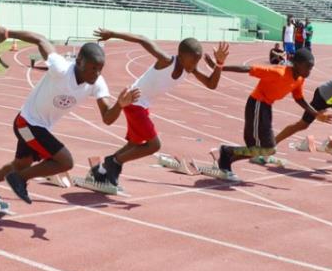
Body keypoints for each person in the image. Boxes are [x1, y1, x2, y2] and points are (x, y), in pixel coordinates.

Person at [0, 22, 138, 204]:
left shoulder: (98, 83)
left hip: (40, 127)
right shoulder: (61, 68)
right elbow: (40, 39)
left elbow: (108, 118)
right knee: (65, 161)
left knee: (21, 164)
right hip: (26, 123)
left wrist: (120, 105)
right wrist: (7, 32)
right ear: (79, 62)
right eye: (93, 68)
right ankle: (20, 178)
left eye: (100, 68)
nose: (97, 73)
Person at [88, 30, 228, 186]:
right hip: (133, 101)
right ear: (180, 56)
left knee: (134, 145)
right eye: (191, 62)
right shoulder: (166, 61)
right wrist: (112, 34)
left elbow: (211, 84)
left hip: (143, 105)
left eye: (196, 62)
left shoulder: (190, 68)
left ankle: (102, 169)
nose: (193, 66)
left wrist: (219, 64)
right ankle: (114, 162)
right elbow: (143, 38)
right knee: (154, 145)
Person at [214, 49, 330, 177]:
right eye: (307, 67)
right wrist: (219, 67)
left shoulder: (300, 79)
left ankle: (227, 156)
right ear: (296, 64)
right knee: (260, 149)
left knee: (269, 149)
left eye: (311, 68)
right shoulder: (278, 72)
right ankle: (226, 153)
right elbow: (248, 68)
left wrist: (316, 114)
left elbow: (299, 99)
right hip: (257, 104)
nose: (309, 71)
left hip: (266, 107)